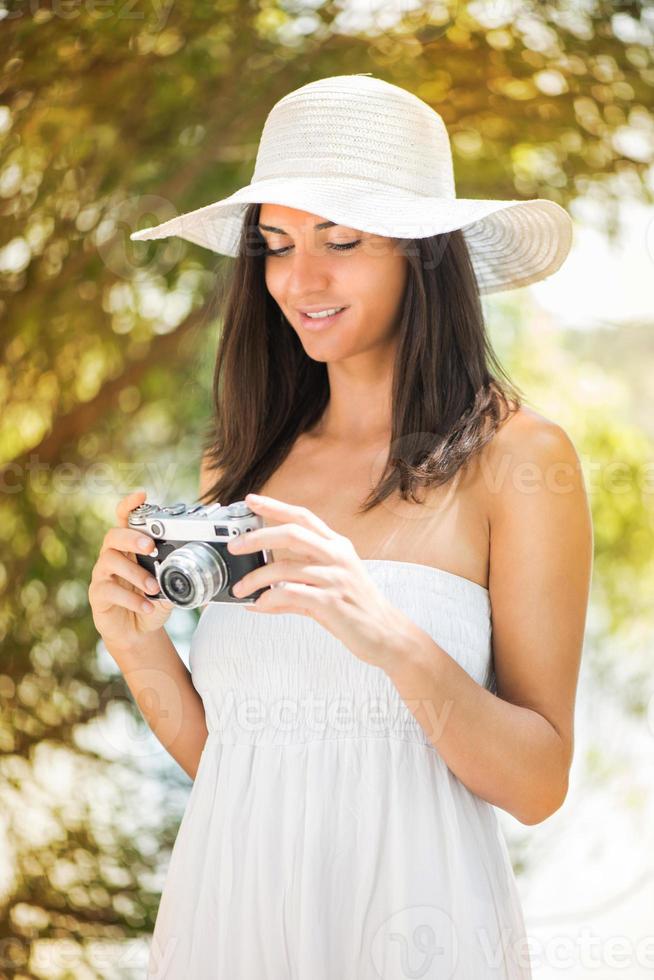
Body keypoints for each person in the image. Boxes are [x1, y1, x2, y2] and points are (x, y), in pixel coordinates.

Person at [90, 75, 593, 978]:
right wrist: (137, 649)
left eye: (342, 242)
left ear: (422, 255)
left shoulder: (518, 460)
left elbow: (538, 784)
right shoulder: (238, 465)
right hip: (230, 921)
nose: (300, 280)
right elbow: (234, 764)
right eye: (276, 246)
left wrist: (386, 634)